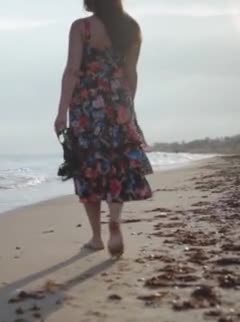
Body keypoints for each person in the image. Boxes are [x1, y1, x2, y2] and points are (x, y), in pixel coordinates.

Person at [54, 0, 153, 257]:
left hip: (87, 107)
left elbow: (72, 71)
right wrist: (128, 107)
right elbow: (131, 72)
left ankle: (97, 237)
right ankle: (115, 220)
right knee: (117, 163)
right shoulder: (131, 29)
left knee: (88, 167)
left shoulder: (82, 28)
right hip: (118, 103)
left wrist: (61, 112)